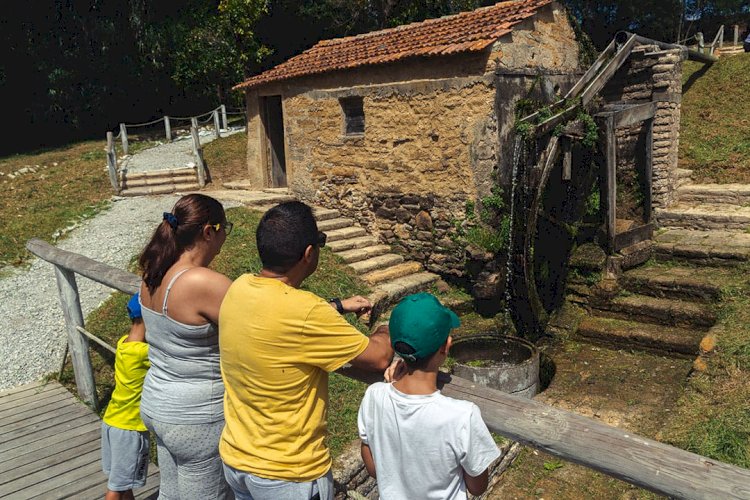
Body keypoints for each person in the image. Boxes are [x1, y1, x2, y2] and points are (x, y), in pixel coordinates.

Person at [219, 200, 394, 500]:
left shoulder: (239, 287)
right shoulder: (306, 312)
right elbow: (378, 356)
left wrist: (338, 306)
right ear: (309, 254)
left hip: (237, 459)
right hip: (287, 474)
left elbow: (281, 315)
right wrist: (387, 325)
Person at [357, 293, 501, 499]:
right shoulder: (462, 416)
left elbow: (373, 468)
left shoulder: (374, 396)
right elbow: (477, 487)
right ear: (446, 346)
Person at [138, 193, 234, 499]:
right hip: (197, 417)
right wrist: (336, 306)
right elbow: (265, 322)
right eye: (224, 229)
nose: (224, 237)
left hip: (157, 403)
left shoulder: (152, 271)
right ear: (209, 231)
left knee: (169, 494)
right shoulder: (204, 283)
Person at [101, 293, 150, 500]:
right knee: (116, 488)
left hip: (112, 420)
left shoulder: (124, 343)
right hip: (130, 428)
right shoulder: (144, 352)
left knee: (122, 482)